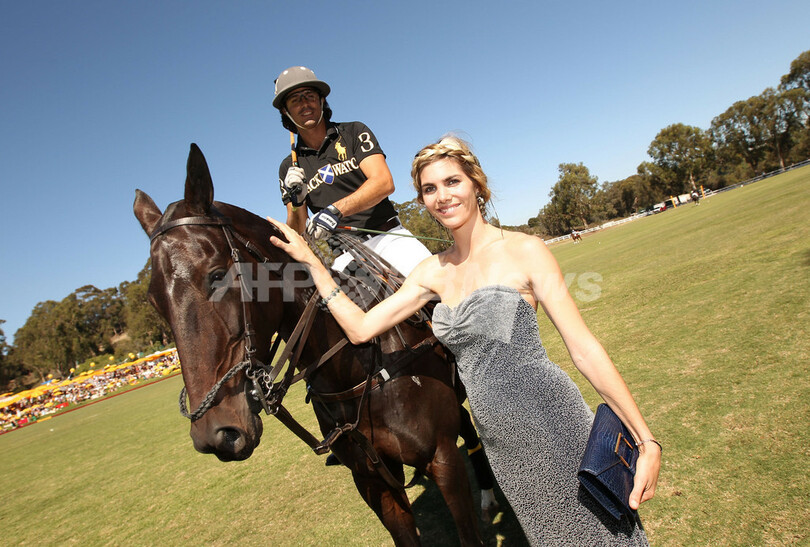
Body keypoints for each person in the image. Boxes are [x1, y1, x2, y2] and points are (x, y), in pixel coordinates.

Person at [268, 136, 661, 545]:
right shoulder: (430, 273)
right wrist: (314, 263)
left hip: (552, 422)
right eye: (429, 189)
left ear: (477, 184)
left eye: (452, 182)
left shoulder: (526, 250)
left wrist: (645, 439)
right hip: (502, 447)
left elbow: (584, 349)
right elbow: (361, 329)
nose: (442, 196)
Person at [273, 65, 432, 275]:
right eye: (295, 100)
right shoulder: (288, 167)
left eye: (309, 96)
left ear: (321, 100)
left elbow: (384, 182)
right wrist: (297, 202)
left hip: (389, 239)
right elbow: (297, 231)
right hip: (344, 257)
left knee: (444, 294)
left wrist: (335, 210)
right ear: (286, 111)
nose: (305, 104)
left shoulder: (354, 132)